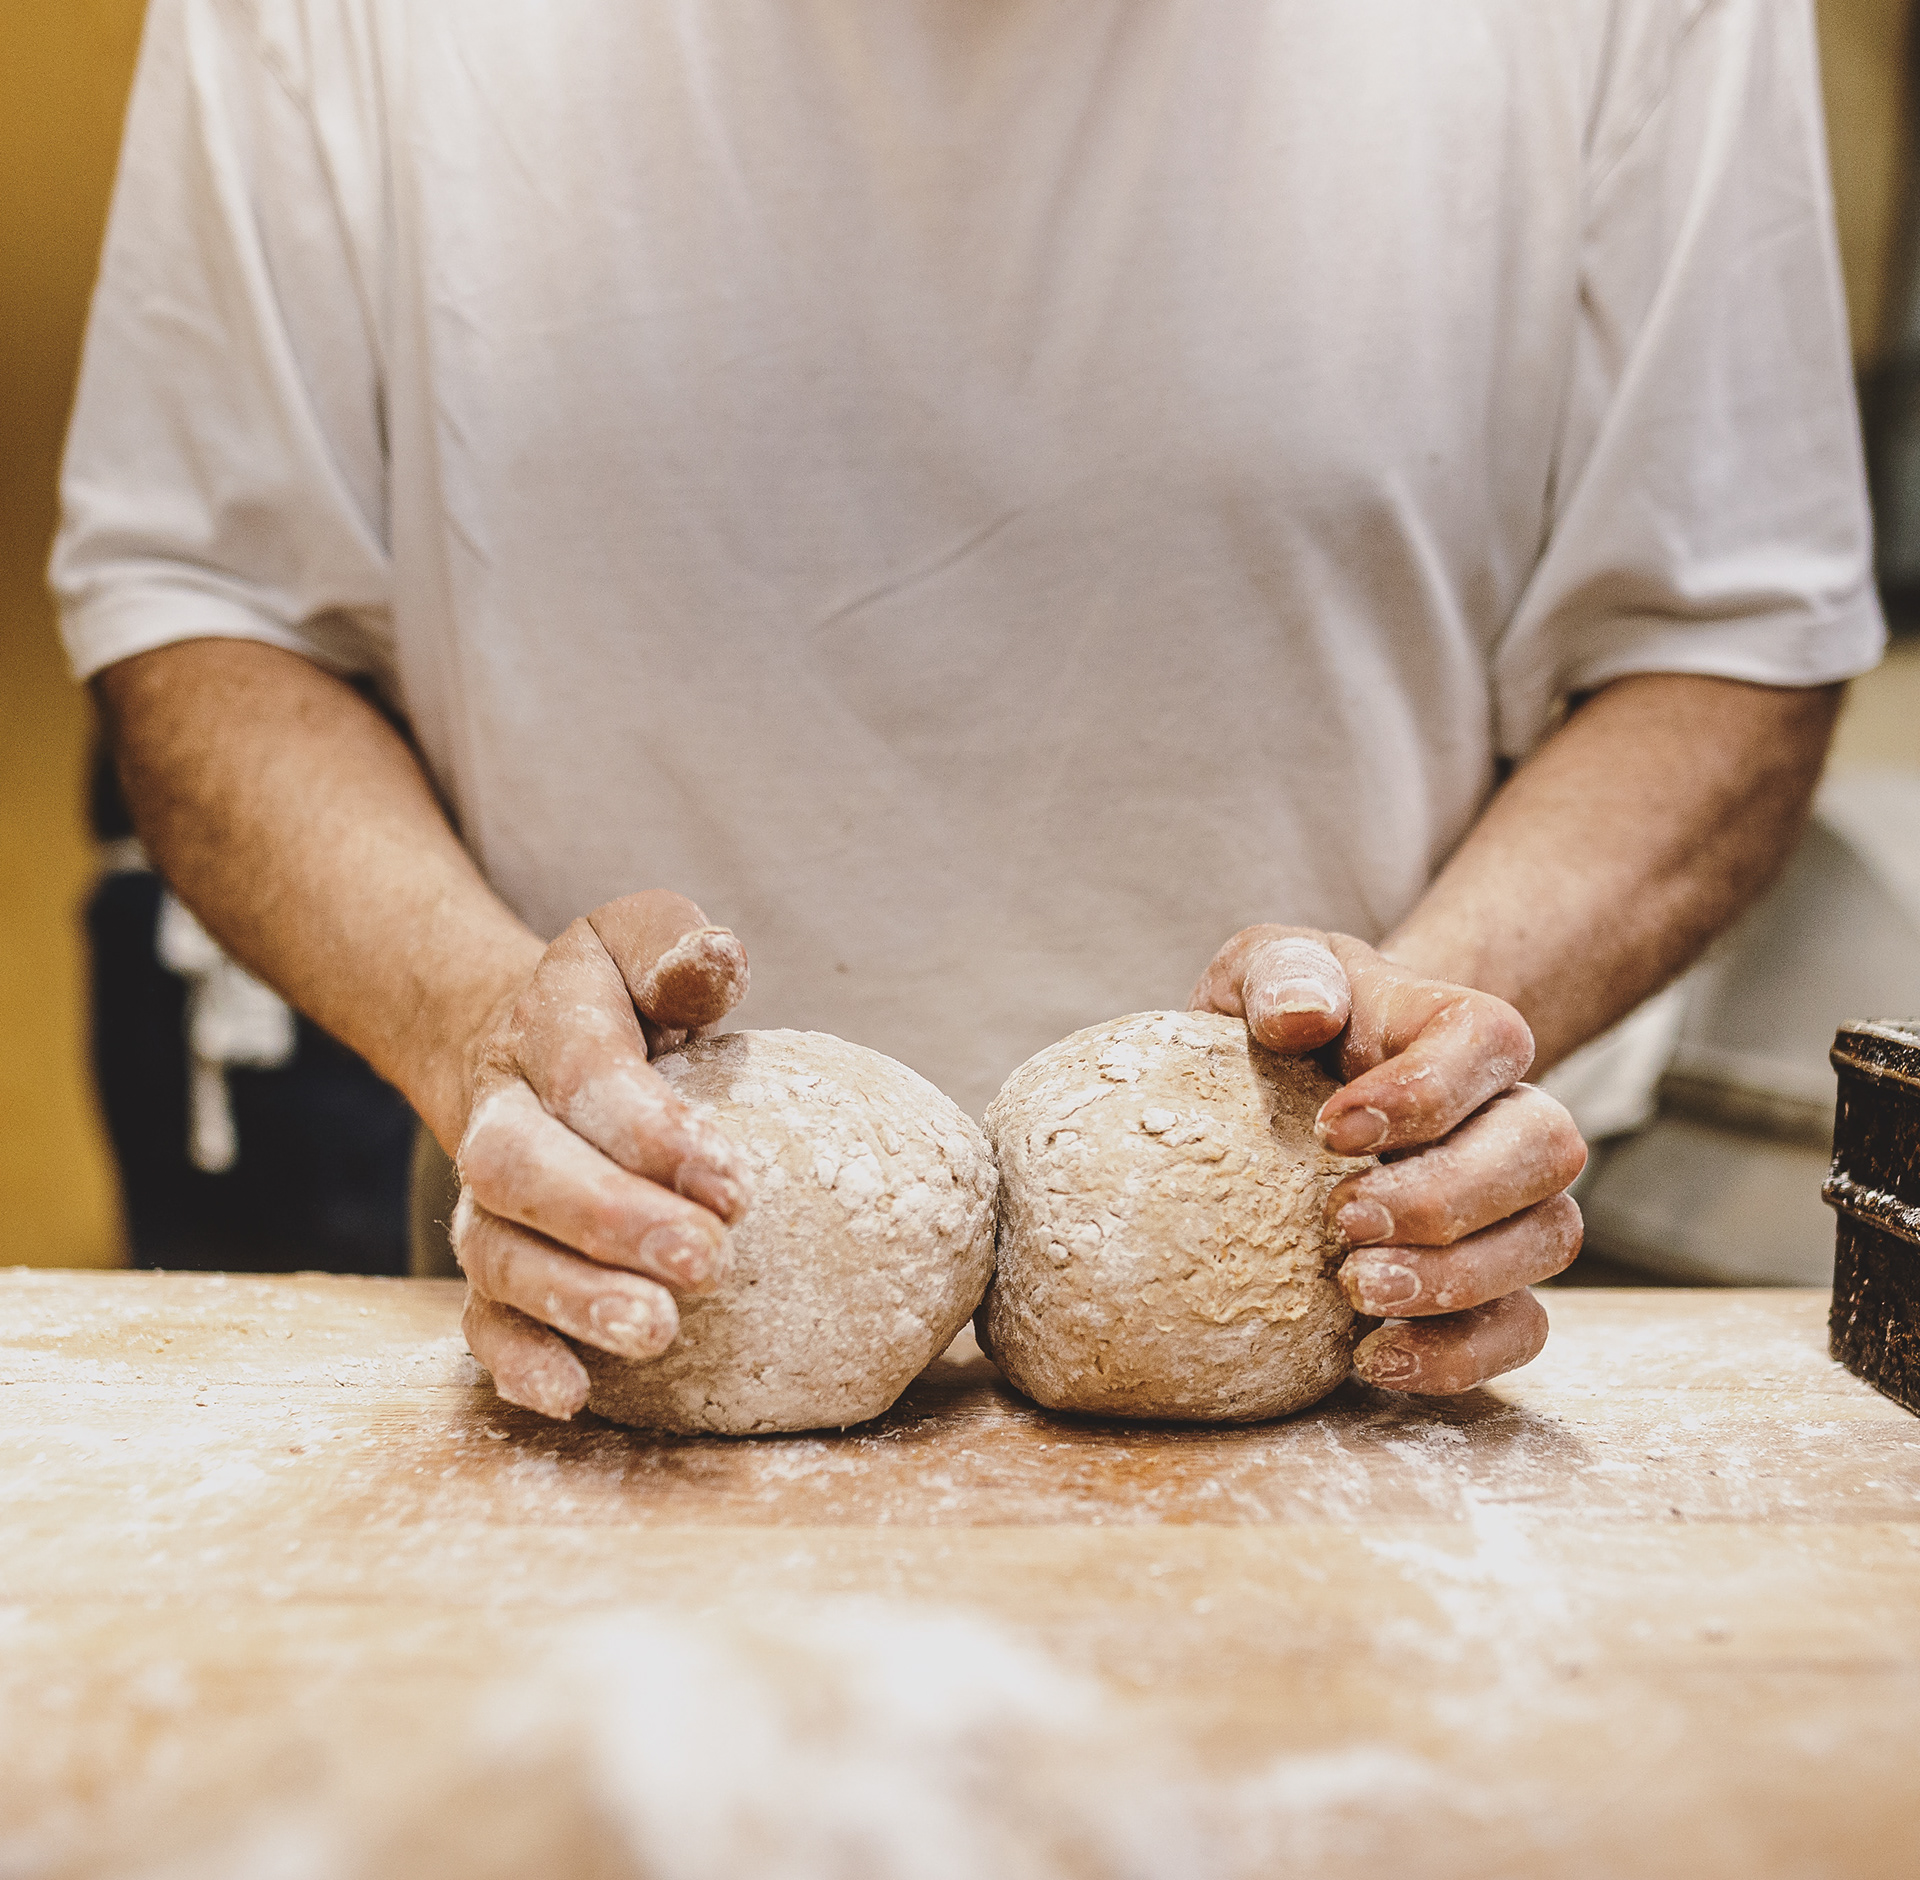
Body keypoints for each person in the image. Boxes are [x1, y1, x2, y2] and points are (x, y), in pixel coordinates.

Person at [53, 0, 1881, 1419]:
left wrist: (1425, 1072)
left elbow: (1724, 622)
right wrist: (476, 1028)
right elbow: (212, 609)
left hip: (1333, 1312)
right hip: (605, 1300)